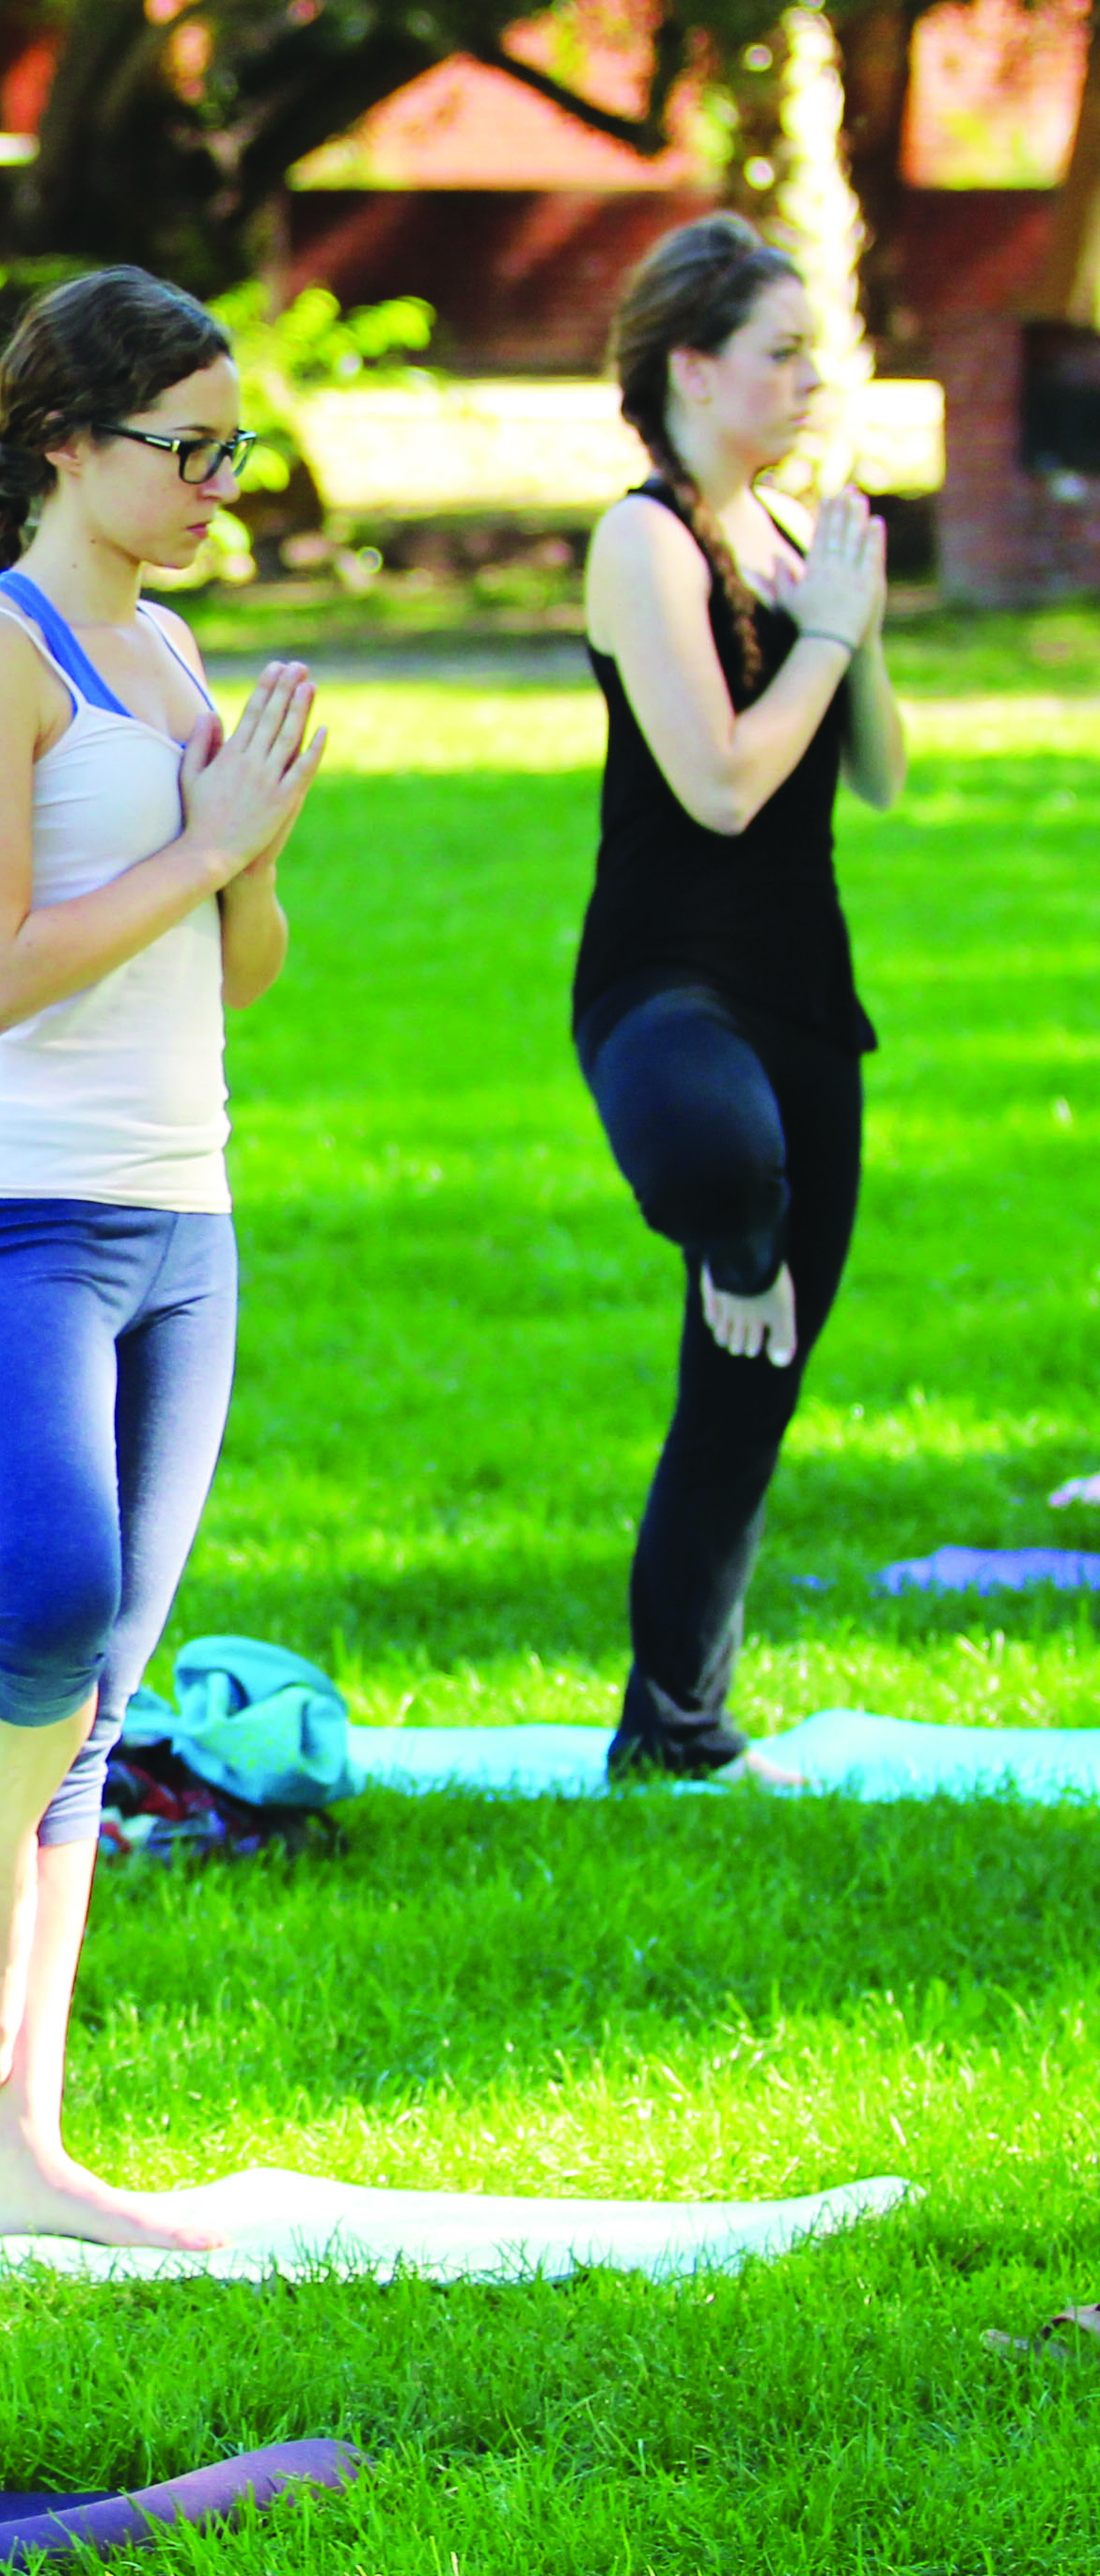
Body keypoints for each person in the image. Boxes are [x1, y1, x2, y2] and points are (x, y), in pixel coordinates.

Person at [0, 269, 321, 2247]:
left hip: (183, 1214)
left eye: (229, 450)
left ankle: (18, 2157)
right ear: (65, 440)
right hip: (6, 1212)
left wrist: (245, 843)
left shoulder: (169, 662)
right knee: (48, 1590)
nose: (215, 486)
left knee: (110, 1659)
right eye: (187, 448)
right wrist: (197, 835)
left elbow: (234, 973)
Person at [576, 214, 904, 1779]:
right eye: (779, 352)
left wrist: (855, 626)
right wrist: (823, 633)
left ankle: (674, 1726)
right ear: (690, 368)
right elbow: (713, 784)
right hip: (665, 983)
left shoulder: (783, 536)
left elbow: (879, 774)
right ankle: (737, 1205)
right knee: (720, 1166)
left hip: (800, 993)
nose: (807, 379)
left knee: (747, 1389)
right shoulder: (638, 539)